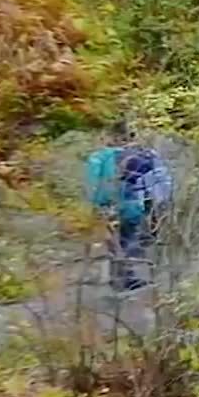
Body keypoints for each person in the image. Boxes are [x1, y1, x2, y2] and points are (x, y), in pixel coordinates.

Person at [84, 121, 166, 286]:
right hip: (128, 203)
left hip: (105, 205)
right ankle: (127, 277)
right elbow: (148, 173)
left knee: (113, 242)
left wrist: (95, 204)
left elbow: (91, 184)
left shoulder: (96, 158)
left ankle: (117, 277)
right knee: (127, 240)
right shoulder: (133, 155)